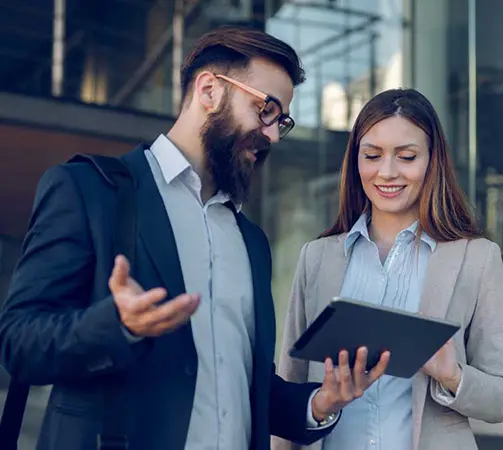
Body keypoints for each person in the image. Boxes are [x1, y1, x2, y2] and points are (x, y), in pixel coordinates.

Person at [0, 27, 388, 450]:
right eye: (266, 110)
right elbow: (19, 343)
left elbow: (246, 386)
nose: (273, 135)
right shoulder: (90, 192)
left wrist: (320, 402)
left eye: (282, 121)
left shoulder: (250, 241)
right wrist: (116, 325)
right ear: (209, 90)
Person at [274, 89, 503, 450]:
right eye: (372, 156)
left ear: (432, 160)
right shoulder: (317, 258)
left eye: (406, 157)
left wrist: (452, 376)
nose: (387, 172)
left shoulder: (476, 258)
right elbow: (290, 389)